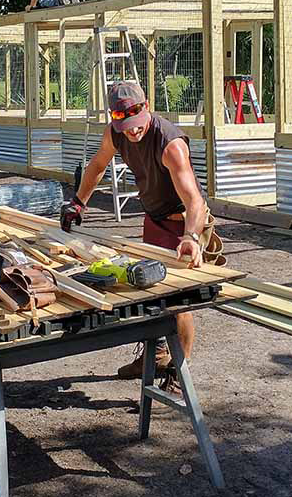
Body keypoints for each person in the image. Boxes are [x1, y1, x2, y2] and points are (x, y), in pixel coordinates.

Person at [60, 81, 212, 393]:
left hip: (183, 224)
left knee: (178, 300)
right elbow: (98, 166)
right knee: (147, 288)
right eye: (124, 125)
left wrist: (192, 239)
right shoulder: (115, 132)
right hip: (154, 219)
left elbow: (195, 201)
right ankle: (154, 356)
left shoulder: (170, 144)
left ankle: (178, 373)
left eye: (136, 122)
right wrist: (78, 202)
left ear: (147, 107)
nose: (132, 131)